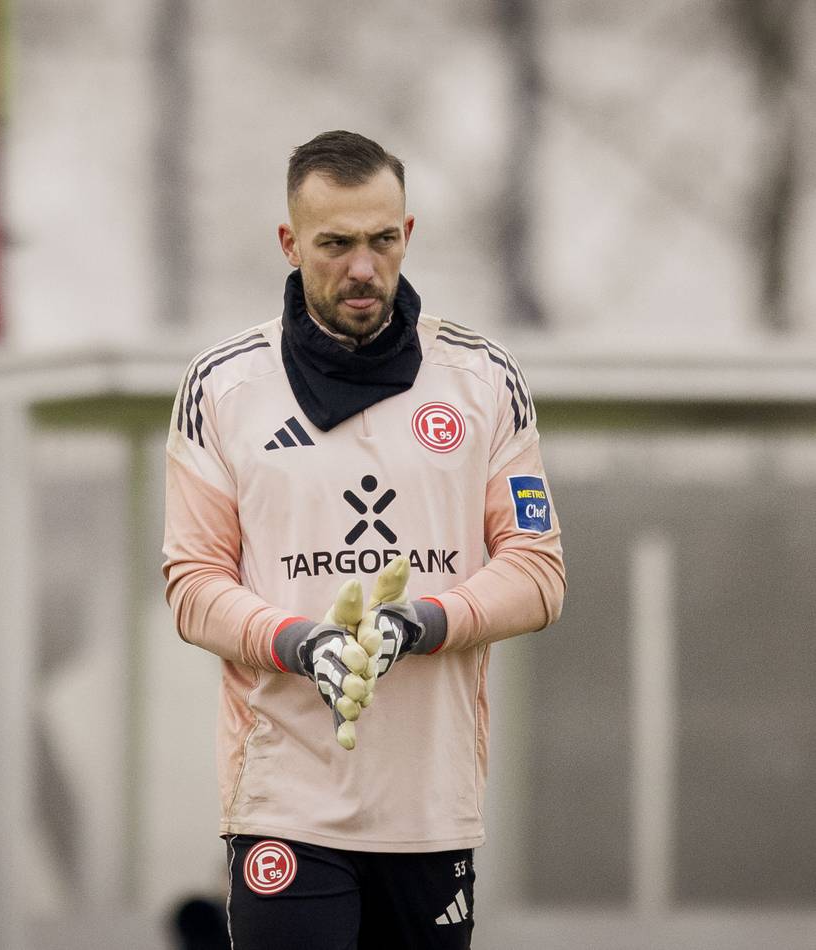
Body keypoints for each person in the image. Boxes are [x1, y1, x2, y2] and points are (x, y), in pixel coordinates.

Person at [162, 130, 565, 950]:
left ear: (407, 235)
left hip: (431, 806)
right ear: (290, 243)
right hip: (286, 796)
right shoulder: (224, 385)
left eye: (383, 241)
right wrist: (298, 641)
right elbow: (192, 584)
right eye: (336, 244)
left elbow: (538, 573)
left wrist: (423, 622)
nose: (362, 267)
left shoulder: (484, 379)